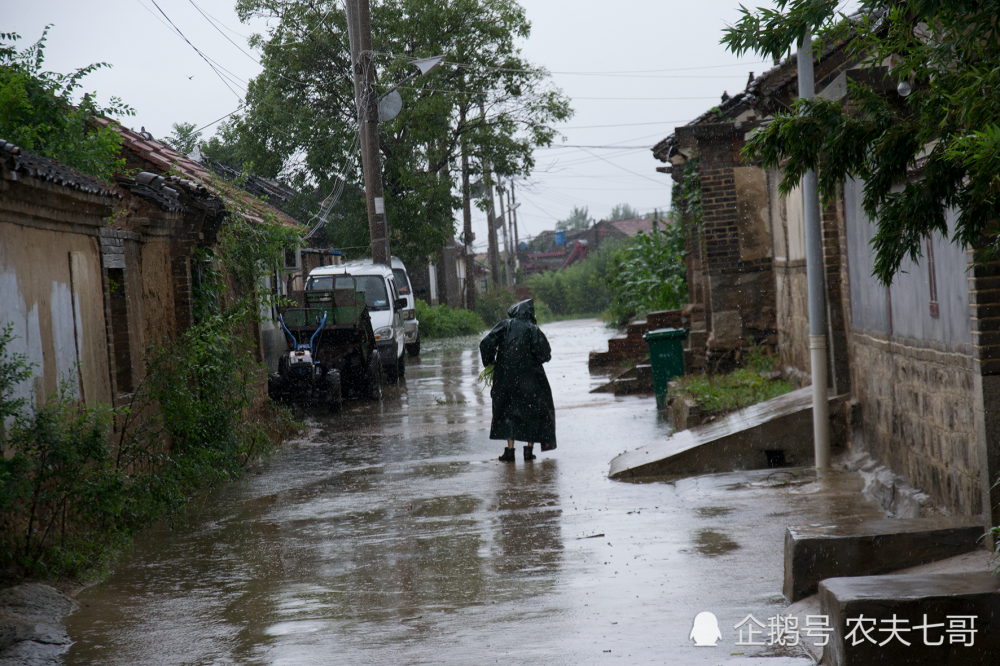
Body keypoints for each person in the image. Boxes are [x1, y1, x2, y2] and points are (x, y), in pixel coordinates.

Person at [479, 299, 556, 462]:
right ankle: (529, 450)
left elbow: (486, 343)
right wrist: (532, 360)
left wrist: (491, 363)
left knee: (508, 411)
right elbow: (546, 354)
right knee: (531, 410)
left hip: (505, 377)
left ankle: (510, 451)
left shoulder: (505, 325)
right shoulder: (533, 328)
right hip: (530, 378)